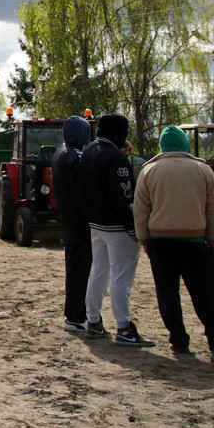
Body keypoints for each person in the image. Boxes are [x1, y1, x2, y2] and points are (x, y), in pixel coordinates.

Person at [134, 125, 214, 354]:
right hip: (195, 240)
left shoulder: (149, 171)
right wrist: (212, 237)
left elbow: (141, 209)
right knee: (204, 292)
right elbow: (211, 209)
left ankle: (178, 339)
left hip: (161, 240)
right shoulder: (204, 170)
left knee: (167, 292)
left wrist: (143, 238)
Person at [81, 114, 153, 346]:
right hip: (117, 226)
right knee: (121, 276)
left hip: (95, 223)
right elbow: (124, 197)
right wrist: (132, 227)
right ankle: (124, 328)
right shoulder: (117, 159)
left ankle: (93, 321)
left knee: (98, 272)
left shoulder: (89, 150)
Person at [51, 116, 93, 333]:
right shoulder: (74, 157)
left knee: (76, 269)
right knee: (79, 271)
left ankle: (76, 314)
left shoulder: (61, 152)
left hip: (69, 220)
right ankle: (76, 316)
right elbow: (83, 192)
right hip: (79, 222)